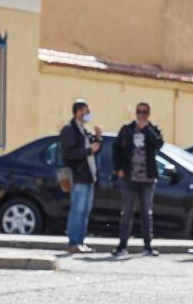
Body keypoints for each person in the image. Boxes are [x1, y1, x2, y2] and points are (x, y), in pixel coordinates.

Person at [112, 102, 163, 258]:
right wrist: (118, 168)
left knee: (146, 213)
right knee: (127, 212)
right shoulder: (126, 129)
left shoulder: (153, 130)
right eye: (139, 112)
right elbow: (116, 148)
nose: (141, 115)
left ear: (148, 114)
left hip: (147, 179)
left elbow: (159, 144)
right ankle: (122, 246)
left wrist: (146, 129)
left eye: (144, 112)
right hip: (129, 178)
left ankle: (147, 246)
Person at [58, 100, 101, 254]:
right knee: (77, 210)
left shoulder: (84, 130)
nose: (88, 114)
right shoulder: (69, 130)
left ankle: (80, 242)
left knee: (85, 212)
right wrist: (88, 150)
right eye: (86, 111)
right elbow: (68, 153)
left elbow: (92, 151)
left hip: (89, 177)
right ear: (78, 111)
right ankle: (73, 243)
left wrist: (98, 138)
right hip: (78, 177)